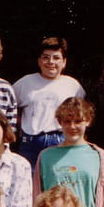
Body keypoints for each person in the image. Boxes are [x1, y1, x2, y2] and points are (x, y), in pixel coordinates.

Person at [34, 97, 104, 207]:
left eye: (78, 121)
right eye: (67, 121)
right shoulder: (46, 156)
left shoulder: (99, 155)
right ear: (60, 122)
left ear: (88, 121)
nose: (72, 126)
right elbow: (37, 195)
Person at [13, 37, 86, 168]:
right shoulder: (25, 82)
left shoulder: (73, 85)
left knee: (61, 177)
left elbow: (83, 116)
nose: (51, 62)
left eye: (56, 58)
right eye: (46, 57)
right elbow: (10, 107)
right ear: (39, 61)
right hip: (31, 142)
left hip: (62, 140)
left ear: (64, 62)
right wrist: (19, 127)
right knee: (29, 179)